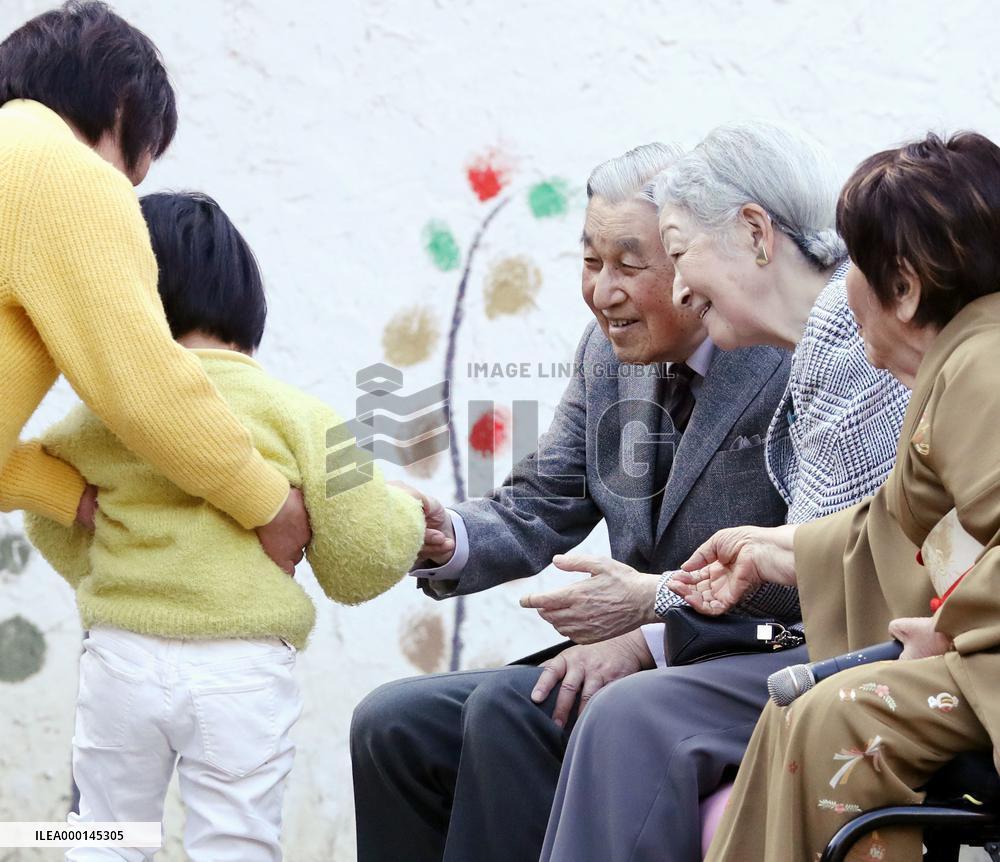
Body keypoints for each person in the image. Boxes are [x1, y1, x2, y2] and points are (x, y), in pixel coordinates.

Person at [351, 143, 796, 862]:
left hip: (749, 653)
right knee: (392, 725)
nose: (603, 292)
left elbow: (808, 566)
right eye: (591, 262)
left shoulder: (782, 351)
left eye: (629, 264)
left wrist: (649, 633)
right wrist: (447, 535)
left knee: (510, 710)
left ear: (691, 259)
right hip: (643, 654)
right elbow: (539, 502)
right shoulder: (605, 353)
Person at [533, 122, 913, 862]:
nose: (676, 289)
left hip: (868, 654)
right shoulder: (822, 332)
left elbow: (839, 567)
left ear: (754, 233)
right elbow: (827, 546)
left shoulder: (843, 328)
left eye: (677, 255)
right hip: (832, 641)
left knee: (625, 718)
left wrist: (651, 601)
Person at [23, 191, 427, 862]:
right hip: (240, 668)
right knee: (236, 844)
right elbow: (366, 551)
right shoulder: (303, 417)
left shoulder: (102, 417)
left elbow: (49, 511)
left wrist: (113, 566)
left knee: (105, 833)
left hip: (120, 655)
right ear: (247, 303)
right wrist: (410, 514)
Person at [670, 131, 1000, 862]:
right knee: (797, 710)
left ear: (906, 288)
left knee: (832, 717)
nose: (842, 284)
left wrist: (956, 634)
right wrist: (771, 551)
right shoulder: (965, 360)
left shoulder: (983, 363)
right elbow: (908, 529)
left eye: (857, 260)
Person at [0, 1, 308, 571]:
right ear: (121, 107)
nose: (121, 192)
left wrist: (66, 491)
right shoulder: (61, 172)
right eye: (129, 175)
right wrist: (268, 504)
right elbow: (141, 384)